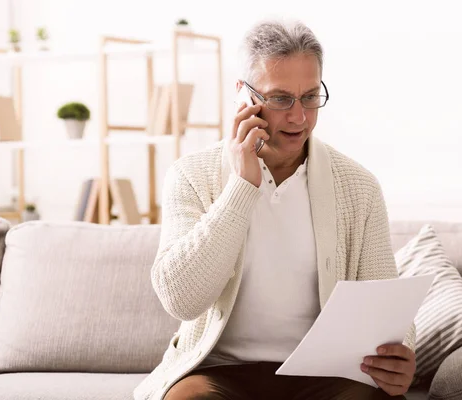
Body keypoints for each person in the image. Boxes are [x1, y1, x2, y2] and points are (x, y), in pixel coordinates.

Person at [134, 19, 416, 400]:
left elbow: (385, 305)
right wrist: (242, 186)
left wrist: (401, 357)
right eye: (281, 98)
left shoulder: (359, 187)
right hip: (220, 371)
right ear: (243, 97)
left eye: (311, 97)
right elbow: (181, 299)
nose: (299, 117)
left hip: (325, 377)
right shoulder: (190, 176)